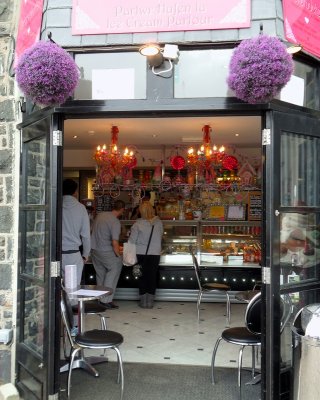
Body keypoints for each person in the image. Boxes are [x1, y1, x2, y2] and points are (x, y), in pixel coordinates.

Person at [91, 200, 125, 309]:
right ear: (122, 210)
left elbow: (92, 230)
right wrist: (118, 255)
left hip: (94, 250)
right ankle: (106, 300)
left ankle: (100, 298)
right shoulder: (115, 222)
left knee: (100, 273)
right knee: (114, 269)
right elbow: (114, 242)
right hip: (106, 250)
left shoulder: (100, 215)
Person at [128, 202, 163, 308]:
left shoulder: (137, 224)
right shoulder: (159, 223)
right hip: (155, 253)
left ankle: (143, 302)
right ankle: (150, 302)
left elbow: (132, 241)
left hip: (141, 253)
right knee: (152, 276)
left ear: (141, 211)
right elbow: (161, 236)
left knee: (141, 276)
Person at [62, 179, 91, 287]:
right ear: (75, 192)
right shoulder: (81, 208)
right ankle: (71, 304)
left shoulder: (54, 206)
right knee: (72, 288)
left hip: (55, 254)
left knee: (55, 289)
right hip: (73, 254)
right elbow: (86, 235)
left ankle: (58, 304)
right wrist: (85, 255)